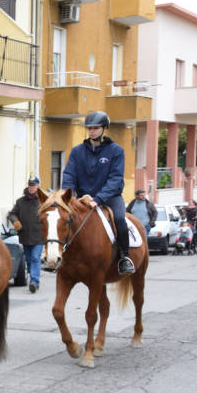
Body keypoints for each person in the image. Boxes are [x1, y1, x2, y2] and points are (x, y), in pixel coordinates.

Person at [61, 111, 135, 276]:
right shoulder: (77, 151)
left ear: (104, 128)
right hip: (82, 199)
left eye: (95, 128)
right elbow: (69, 176)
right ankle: (60, 255)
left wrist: (98, 199)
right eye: (90, 128)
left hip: (110, 198)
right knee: (64, 219)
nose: (92, 131)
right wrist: (70, 196)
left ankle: (125, 257)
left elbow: (115, 179)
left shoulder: (116, 151)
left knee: (119, 219)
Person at [7, 176, 45, 293]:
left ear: (38, 187)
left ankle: (34, 281)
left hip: (39, 236)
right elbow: (12, 214)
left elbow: (51, 213)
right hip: (24, 236)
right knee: (28, 259)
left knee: (35, 258)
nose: (32, 187)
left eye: (34, 185)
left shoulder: (43, 201)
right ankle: (32, 275)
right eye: (30, 185)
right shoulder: (20, 202)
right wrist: (15, 221)